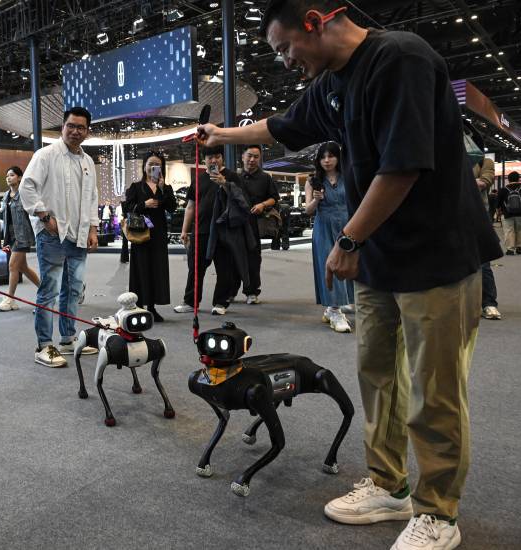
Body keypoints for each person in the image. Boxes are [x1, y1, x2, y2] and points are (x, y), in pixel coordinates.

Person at [198, 2, 502, 549]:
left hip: (436, 255)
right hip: (381, 260)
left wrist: (348, 240)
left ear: (315, 20)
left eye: (285, 46)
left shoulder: (400, 58)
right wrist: (223, 134)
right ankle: (389, 483)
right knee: (378, 375)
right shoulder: (332, 82)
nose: (285, 60)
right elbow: (281, 125)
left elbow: (402, 167)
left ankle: (438, 512)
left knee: (434, 389)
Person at [20, 107, 99, 367]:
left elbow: (92, 198)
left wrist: (93, 228)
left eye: (81, 127)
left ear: (87, 131)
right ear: (62, 127)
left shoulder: (87, 162)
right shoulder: (46, 155)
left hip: (78, 235)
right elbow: (27, 186)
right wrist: (44, 218)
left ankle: (67, 338)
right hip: (52, 234)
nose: (76, 131)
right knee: (50, 289)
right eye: (71, 126)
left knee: (73, 289)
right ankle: (44, 344)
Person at [174, 145, 241, 315]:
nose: (213, 160)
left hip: (224, 230)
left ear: (222, 158)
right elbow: (191, 206)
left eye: (217, 156)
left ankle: (221, 302)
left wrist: (224, 184)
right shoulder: (199, 179)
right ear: (204, 160)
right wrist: (184, 230)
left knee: (224, 268)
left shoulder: (232, 177)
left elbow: (241, 200)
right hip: (201, 229)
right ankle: (190, 302)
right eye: (210, 157)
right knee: (195, 268)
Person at [304, 142, 354, 333]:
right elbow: (308, 210)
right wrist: (317, 199)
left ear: (338, 158)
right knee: (329, 266)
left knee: (349, 265)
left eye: (331, 156)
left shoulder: (348, 177)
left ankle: (337, 305)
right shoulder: (313, 181)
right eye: (323, 157)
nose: (326, 160)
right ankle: (334, 310)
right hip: (324, 227)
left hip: (347, 226)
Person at [124, 151, 177, 322]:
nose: (154, 167)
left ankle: (152, 307)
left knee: (157, 268)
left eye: (157, 164)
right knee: (141, 268)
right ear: (144, 166)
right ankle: (139, 306)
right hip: (140, 233)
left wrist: (162, 188)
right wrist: (143, 204)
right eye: (150, 164)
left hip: (159, 233)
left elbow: (172, 207)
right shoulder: (136, 187)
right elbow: (128, 208)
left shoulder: (165, 187)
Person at [0, 166, 40, 311]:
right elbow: (5, 216)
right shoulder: (6, 195)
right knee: (23, 267)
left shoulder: (24, 194)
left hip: (22, 236)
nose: (8, 178)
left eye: (11, 175)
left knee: (13, 266)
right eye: (7, 175)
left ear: (19, 177)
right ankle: (46, 291)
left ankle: (10, 299)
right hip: (11, 236)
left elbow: (33, 212)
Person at [465, 123, 501, 320]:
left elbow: (484, 181)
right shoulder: (449, 160)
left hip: (478, 215)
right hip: (451, 216)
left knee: (483, 262)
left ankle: (489, 303)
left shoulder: (484, 162)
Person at [235, 145, 279, 304]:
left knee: (253, 258)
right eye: (249, 156)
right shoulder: (235, 176)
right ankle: (230, 291)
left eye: (256, 157)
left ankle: (252, 292)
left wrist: (263, 205)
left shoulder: (265, 177)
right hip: (235, 222)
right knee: (232, 257)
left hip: (254, 222)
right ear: (242, 157)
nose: (252, 160)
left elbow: (274, 198)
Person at [498, 171, 521, 255]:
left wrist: (500, 211)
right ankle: (519, 247)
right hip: (520, 214)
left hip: (507, 214)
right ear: (518, 178)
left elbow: (498, 203)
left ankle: (510, 249)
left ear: (508, 179)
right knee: (520, 230)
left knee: (509, 230)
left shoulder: (503, 189)